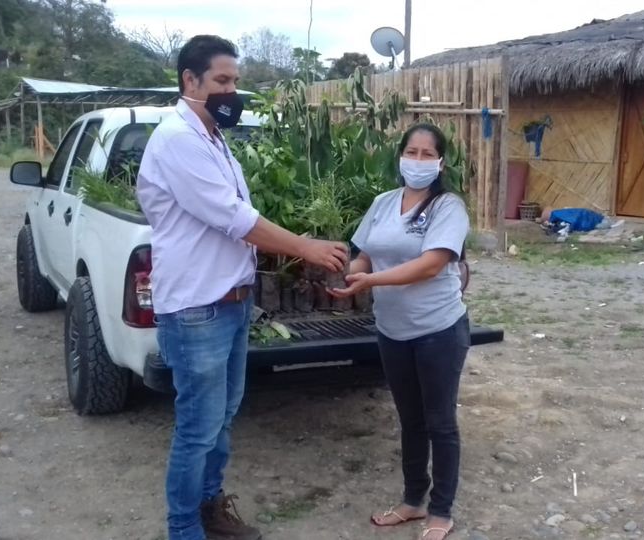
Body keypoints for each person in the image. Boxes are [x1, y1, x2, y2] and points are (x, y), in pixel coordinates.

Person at [136, 35, 349, 540]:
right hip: (197, 310)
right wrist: (305, 247)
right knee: (198, 429)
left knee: (222, 419)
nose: (232, 92)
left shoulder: (214, 139)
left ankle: (211, 511)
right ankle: (185, 529)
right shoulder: (178, 139)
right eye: (222, 81)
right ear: (190, 81)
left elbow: (236, 221)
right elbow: (234, 217)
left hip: (230, 304)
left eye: (235, 81)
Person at [329, 123, 471, 540]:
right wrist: (345, 275)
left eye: (428, 154)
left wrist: (370, 282)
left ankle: (441, 511)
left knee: (440, 421)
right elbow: (365, 256)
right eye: (412, 152)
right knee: (410, 420)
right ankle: (413, 501)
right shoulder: (383, 203)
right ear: (401, 156)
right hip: (391, 331)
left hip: (438, 330)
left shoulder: (448, 207)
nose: (418, 160)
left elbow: (431, 264)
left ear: (440, 163)